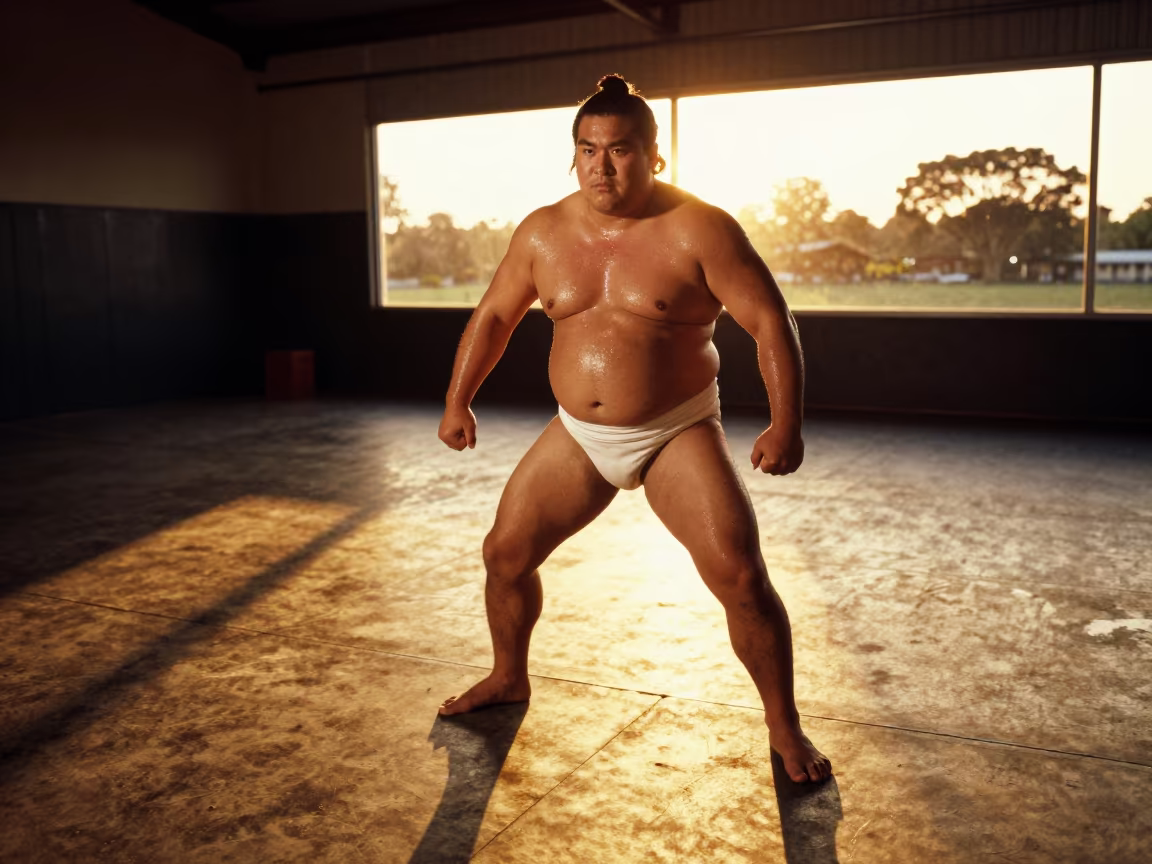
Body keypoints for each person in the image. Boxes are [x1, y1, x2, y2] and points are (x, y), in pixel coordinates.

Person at [436, 74, 831, 784]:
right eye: (588, 150)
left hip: (676, 428)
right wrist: (457, 400)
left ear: (655, 154)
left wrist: (787, 422)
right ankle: (508, 676)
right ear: (573, 155)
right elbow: (494, 316)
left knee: (741, 576)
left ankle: (784, 725)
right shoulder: (543, 232)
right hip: (578, 436)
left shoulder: (701, 228)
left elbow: (771, 320)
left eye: (619, 151)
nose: (602, 166)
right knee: (504, 556)